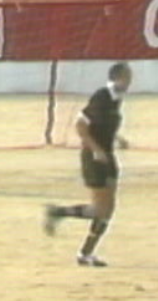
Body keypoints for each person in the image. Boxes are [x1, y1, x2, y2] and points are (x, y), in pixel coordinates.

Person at [43, 62, 133, 267]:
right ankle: (60, 214)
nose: (130, 82)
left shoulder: (116, 100)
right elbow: (81, 125)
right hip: (94, 158)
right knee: (101, 209)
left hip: (107, 156)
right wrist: (96, 150)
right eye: (127, 77)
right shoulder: (102, 96)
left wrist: (116, 138)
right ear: (118, 78)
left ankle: (86, 253)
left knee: (107, 209)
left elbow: (101, 125)